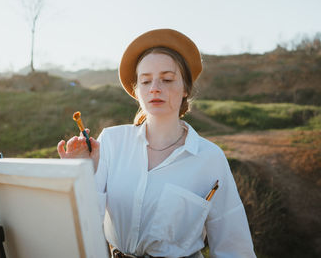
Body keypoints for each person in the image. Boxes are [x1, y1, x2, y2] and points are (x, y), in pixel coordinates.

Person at [57, 29, 256, 258]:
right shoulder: (111, 142)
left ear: (186, 89)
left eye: (167, 79)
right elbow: (84, 225)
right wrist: (81, 173)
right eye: (146, 81)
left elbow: (233, 246)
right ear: (137, 91)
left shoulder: (210, 158)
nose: (155, 88)